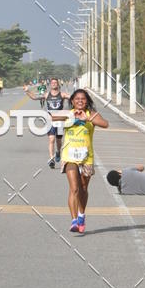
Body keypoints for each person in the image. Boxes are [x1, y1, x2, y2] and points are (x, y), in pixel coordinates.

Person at [58, 89, 108, 234]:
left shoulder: (91, 114)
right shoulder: (68, 114)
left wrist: (87, 119)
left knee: (83, 188)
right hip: (69, 156)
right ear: (72, 101)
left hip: (86, 157)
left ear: (87, 101)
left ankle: (81, 214)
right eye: (77, 99)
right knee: (74, 188)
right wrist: (71, 118)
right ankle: (74, 220)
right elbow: (51, 118)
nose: (80, 101)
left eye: (83, 99)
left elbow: (105, 124)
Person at [40, 78, 70, 169]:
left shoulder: (62, 94)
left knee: (58, 140)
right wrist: (27, 91)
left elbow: (72, 97)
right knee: (51, 139)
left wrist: (82, 93)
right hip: (50, 120)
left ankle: (58, 152)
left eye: (55, 83)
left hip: (60, 120)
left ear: (58, 84)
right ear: (50, 85)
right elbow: (34, 97)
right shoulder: (46, 95)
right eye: (52, 83)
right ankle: (51, 159)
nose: (54, 84)